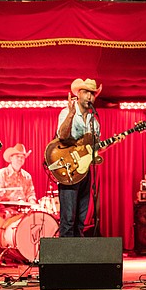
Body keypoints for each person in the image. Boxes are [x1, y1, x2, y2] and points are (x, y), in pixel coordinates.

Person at [56, 78, 121, 237]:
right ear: (78, 94)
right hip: (68, 170)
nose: (89, 96)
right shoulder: (66, 112)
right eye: (86, 92)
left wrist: (111, 143)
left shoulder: (94, 121)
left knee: (80, 219)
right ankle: (65, 258)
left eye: (92, 93)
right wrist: (71, 115)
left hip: (85, 172)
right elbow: (62, 136)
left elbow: (94, 150)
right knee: (68, 219)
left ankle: (78, 258)